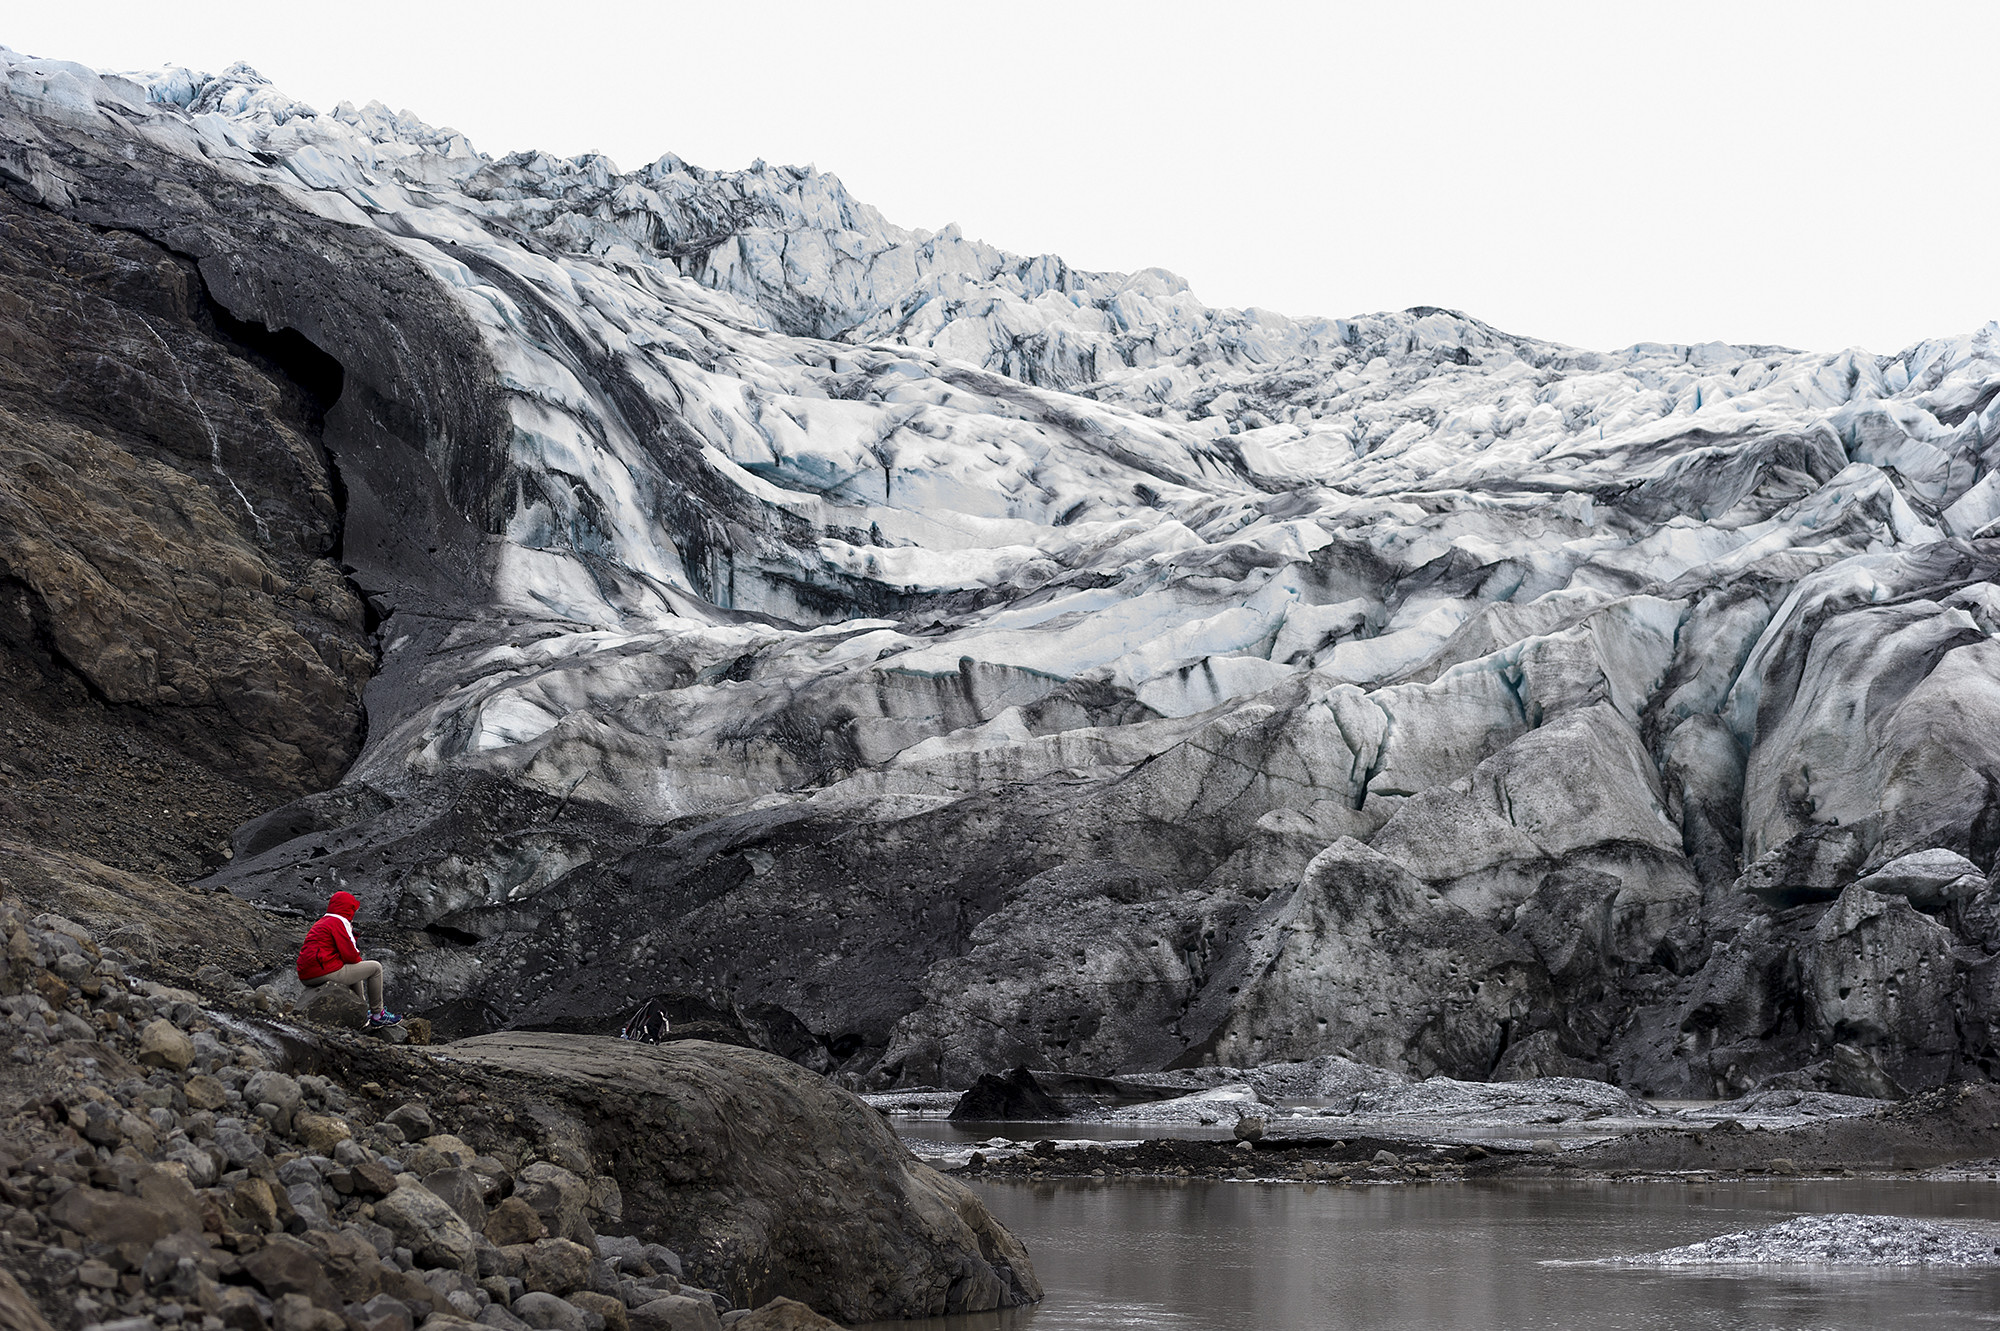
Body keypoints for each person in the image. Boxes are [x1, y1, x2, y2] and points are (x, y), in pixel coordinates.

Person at [296, 889, 399, 1028]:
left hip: (306, 975)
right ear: (347, 908)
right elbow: (352, 955)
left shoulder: (322, 922)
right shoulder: (339, 921)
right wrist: (350, 932)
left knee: (354, 970)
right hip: (323, 971)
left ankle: (361, 1013)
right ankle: (378, 1014)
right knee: (375, 968)